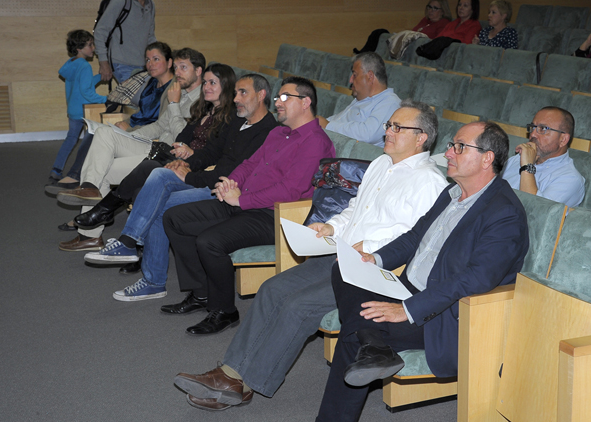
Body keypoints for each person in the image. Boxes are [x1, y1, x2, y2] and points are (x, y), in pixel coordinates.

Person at [171, 100, 449, 412]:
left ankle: (246, 383)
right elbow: (355, 209)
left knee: (297, 306)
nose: (389, 131)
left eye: (398, 127)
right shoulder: (381, 164)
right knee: (271, 289)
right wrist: (331, 227)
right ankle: (231, 373)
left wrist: (368, 247)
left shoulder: (429, 182)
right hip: (340, 255)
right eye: (388, 125)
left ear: (421, 137)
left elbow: (416, 239)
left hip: (371, 271)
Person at [316, 121, 529, 422]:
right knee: (346, 267)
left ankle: (367, 350)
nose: (448, 152)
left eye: (459, 147)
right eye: (451, 145)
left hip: (445, 313)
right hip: (407, 286)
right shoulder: (452, 193)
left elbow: (476, 279)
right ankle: (375, 345)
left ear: (487, 158)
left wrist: (408, 309)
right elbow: (415, 237)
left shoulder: (504, 213)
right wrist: (375, 258)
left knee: (355, 332)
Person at [79, 74, 279, 303]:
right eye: (235, 93)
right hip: (210, 178)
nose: (235, 99)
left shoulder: (268, 131)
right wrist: (186, 164)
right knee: (159, 176)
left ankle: (144, 267)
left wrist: (191, 176)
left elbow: (235, 173)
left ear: (261, 95)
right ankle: (134, 250)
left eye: (243, 93)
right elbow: (212, 152)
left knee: (159, 196)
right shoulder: (237, 120)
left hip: (225, 191)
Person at [162, 76, 335, 336]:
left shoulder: (315, 141)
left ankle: (224, 311)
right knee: (174, 218)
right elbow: (249, 164)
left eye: (284, 97)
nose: (277, 103)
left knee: (210, 242)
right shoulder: (278, 132)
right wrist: (230, 183)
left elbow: (290, 190)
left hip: (276, 216)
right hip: (245, 203)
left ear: (305, 102)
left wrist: (241, 200)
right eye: (277, 97)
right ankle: (201, 294)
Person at [56, 48, 204, 252]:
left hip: (168, 156)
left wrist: (174, 104)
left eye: (183, 68)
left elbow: (183, 137)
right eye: (176, 67)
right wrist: (131, 135)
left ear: (198, 71)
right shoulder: (179, 91)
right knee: (105, 133)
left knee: (103, 171)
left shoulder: (202, 100)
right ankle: (88, 187)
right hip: (154, 146)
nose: (177, 73)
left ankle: (88, 236)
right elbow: (160, 125)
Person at [47, 41, 175, 198]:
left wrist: (130, 129)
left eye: (156, 59)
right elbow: (140, 110)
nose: (150, 64)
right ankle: (82, 183)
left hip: (146, 137)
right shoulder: (150, 82)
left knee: (99, 137)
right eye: (148, 60)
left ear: (169, 62)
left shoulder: (173, 89)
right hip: (133, 128)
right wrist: (126, 122)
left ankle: (77, 178)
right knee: (94, 131)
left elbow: (162, 125)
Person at [49, 30, 107, 190]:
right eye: (90, 45)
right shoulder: (85, 66)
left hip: (73, 110)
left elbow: (83, 84)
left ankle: (56, 170)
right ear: (79, 48)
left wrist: (100, 77)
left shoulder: (71, 63)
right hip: (85, 110)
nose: (93, 48)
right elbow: (87, 92)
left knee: (71, 140)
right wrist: (106, 99)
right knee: (88, 143)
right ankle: (79, 174)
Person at [501, 107, 585, 208]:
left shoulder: (570, 179)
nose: (533, 134)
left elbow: (532, 210)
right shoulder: (517, 159)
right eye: (533, 127)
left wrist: (527, 167)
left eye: (543, 129)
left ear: (563, 139)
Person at [317, 52, 400, 147]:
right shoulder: (361, 100)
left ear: (370, 76)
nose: (350, 80)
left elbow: (368, 134)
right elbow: (337, 120)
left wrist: (328, 125)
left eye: (355, 75)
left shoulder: (390, 103)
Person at [94, 0, 156, 83]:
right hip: (121, 63)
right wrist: (103, 62)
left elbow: (150, 36)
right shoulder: (120, 1)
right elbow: (100, 31)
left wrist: (159, 57)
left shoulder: (150, 5)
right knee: (134, 91)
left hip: (144, 64)